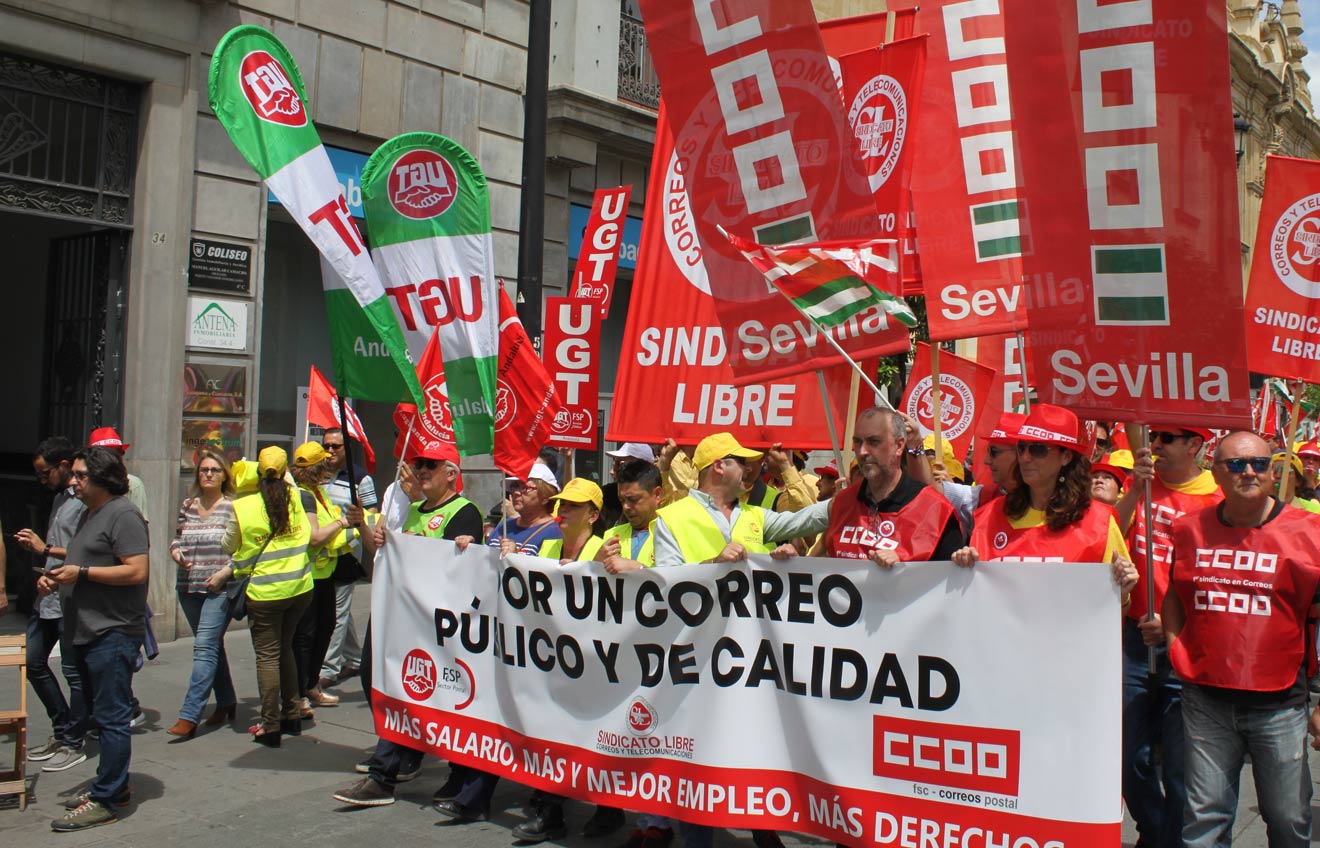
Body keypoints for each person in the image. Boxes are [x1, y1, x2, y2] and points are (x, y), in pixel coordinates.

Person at [1160, 431, 1320, 847]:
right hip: (1204, 697)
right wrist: (1178, 649)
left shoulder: (1311, 533)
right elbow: (1175, 596)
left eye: (1260, 464)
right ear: (1216, 471)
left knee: (1288, 819)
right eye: (1235, 464)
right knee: (1204, 820)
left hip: (1281, 701)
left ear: (1272, 470)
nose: (1248, 472)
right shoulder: (1188, 529)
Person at [334, 446, 484, 809]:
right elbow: (385, 555)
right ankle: (386, 771)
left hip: (440, 630)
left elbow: (460, 571)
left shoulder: (464, 512)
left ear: (452, 473)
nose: (421, 470)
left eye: (430, 465)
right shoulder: (414, 511)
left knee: (446, 700)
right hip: (403, 620)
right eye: (418, 465)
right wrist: (370, 531)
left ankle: (454, 773)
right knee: (390, 688)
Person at [1115, 425, 1222, 848]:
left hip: (1185, 647)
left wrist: (1176, 626)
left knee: (1180, 767)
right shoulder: (1139, 486)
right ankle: (1158, 830)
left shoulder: (1217, 499)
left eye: (1167, 437)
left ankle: (1169, 839)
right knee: (1127, 758)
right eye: (1154, 434)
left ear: (1195, 445)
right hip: (1132, 640)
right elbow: (1106, 538)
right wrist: (1131, 493)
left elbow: (1218, 581)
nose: (1155, 443)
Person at [40, 446, 150, 832]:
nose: (74, 480)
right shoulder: (92, 514)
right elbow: (83, 560)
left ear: (103, 479)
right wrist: (54, 578)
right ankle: (110, 785)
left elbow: (136, 571)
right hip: (85, 630)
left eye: (81, 475)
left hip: (113, 631)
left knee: (112, 717)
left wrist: (81, 574)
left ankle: (107, 797)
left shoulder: (123, 515)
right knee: (98, 718)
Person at [951, 404, 1135, 572]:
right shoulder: (989, 516)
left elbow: (1115, 602)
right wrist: (965, 566)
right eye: (1021, 448)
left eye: (1038, 449)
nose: (1024, 458)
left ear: (1066, 457)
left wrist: (1123, 593)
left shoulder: (1100, 523)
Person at [213, 446, 314, 747]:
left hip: (265, 594)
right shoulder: (296, 498)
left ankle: (270, 725)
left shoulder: (243, 507)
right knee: (286, 648)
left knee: (268, 657)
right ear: (286, 474)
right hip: (299, 589)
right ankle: (292, 714)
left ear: (258, 473)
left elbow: (228, 546)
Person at [653, 432, 832, 568]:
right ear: (719, 466)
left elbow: (806, 519)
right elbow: (667, 584)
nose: (748, 469)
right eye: (742, 462)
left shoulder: (755, 515)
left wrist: (847, 499)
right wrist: (714, 564)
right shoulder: (672, 517)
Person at [16, 436, 88, 774]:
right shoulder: (60, 498)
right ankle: (63, 729)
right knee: (32, 662)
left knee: (74, 670)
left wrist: (43, 548)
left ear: (63, 466)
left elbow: (83, 551)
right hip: (48, 595)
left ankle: (76, 739)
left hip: (70, 597)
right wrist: (43, 570)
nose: (42, 481)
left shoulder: (84, 500)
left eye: (46, 474)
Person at [823, 408, 964, 565]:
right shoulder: (842, 503)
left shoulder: (936, 510)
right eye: (857, 442)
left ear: (899, 445)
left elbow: (950, 583)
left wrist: (903, 567)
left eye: (874, 442)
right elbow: (829, 566)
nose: (862, 452)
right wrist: (793, 562)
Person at [166, 451, 238, 739]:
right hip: (188, 586)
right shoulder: (188, 505)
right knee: (211, 646)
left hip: (218, 588)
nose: (208, 474)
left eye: (214, 470)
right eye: (204, 470)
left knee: (204, 648)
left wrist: (224, 573)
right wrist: (175, 551)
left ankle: (190, 714)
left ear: (224, 476)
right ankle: (227, 701)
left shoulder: (233, 508)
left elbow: (245, 551)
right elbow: (177, 536)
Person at [290, 441, 356, 711]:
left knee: (326, 627)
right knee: (307, 635)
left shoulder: (318, 493)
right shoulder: (304, 495)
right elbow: (315, 537)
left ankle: (310, 684)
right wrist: (343, 524)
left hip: (325, 573)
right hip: (310, 576)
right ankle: (300, 691)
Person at [318, 426, 374, 692]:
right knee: (340, 608)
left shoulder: (361, 479)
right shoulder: (315, 474)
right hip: (319, 553)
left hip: (346, 552)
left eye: (335, 447)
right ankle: (353, 657)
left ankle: (328, 668)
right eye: (326, 445)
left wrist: (364, 535)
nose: (329, 451)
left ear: (347, 450)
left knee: (336, 611)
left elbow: (371, 513)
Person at [599, 460, 664, 573]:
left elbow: (677, 581)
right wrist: (595, 562)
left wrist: (638, 568)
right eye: (621, 500)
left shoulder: (673, 533)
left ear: (657, 494)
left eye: (633, 500)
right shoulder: (611, 536)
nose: (625, 507)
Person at [488, 461, 564, 554]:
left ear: (545, 497)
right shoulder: (503, 526)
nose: (516, 492)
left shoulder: (555, 533)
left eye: (524, 488)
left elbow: (544, 567)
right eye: (514, 486)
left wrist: (515, 557)